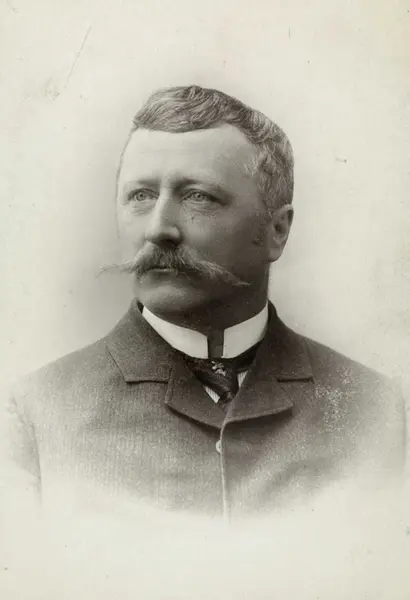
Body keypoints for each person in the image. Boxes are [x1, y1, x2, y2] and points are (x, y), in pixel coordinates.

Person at [1, 85, 406, 522]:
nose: (159, 229)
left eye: (198, 196)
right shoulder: (34, 413)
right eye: (141, 196)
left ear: (277, 230)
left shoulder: (377, 410)